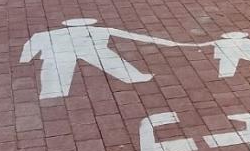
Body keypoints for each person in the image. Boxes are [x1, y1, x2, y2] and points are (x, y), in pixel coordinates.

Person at [20, 18, 187, 99]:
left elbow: (30, 44)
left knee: (54, 76)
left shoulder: (47, 34)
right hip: (91, 50)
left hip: (62, 53)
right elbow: (132, 36)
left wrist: (25, 59)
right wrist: (170, 43)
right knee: (111, 61)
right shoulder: (100, 30)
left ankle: (52, 93)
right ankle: (134, 77)